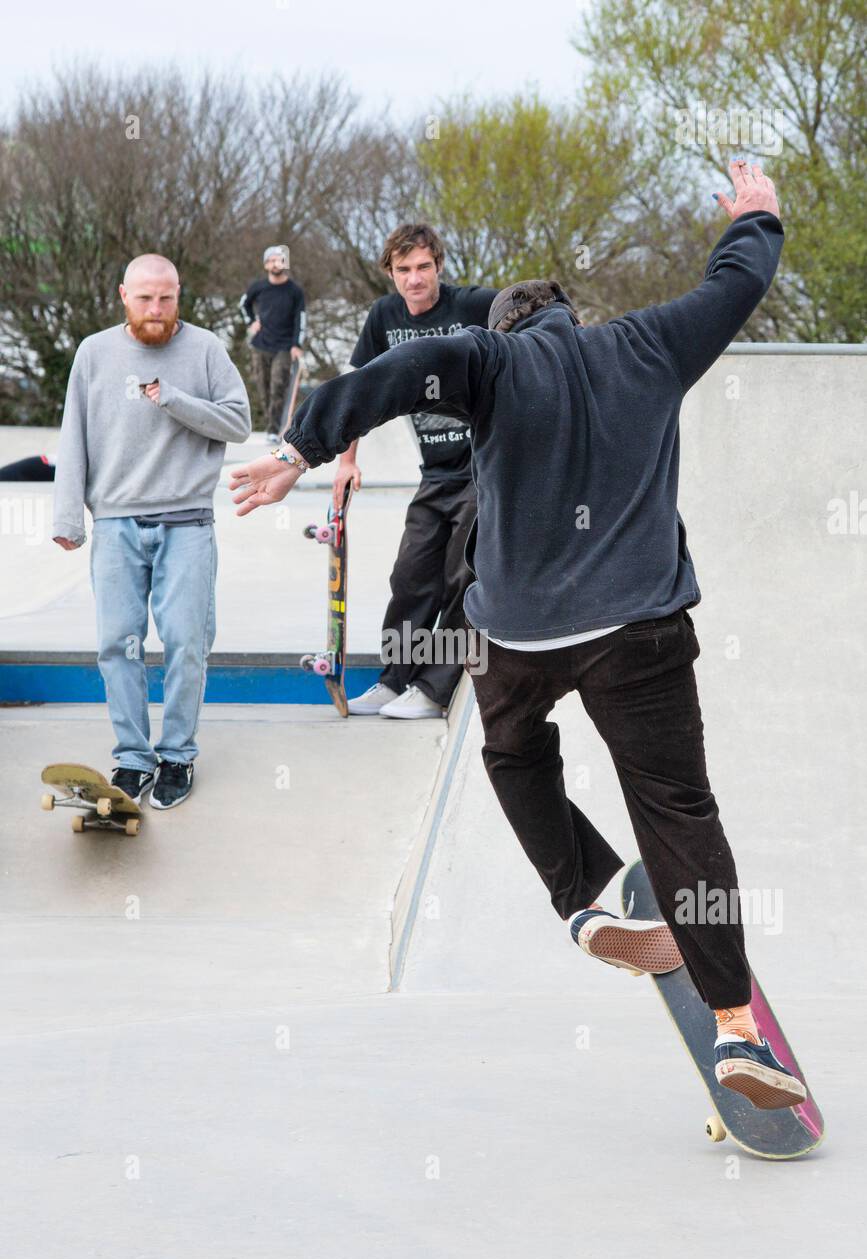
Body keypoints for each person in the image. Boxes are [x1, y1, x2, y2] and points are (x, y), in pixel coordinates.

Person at [229, 160, 804, 1109]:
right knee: (676, 810)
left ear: (500, 327)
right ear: (572, 318)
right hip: (639, 629)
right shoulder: (647, 344)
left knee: (509, 751)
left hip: (517, 635)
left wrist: (305, 444)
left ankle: (581, 900)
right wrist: (757, 216)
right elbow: (734, 283)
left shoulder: (487, 360)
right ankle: (738, 1028)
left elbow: (406, 368)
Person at [52, 253, 251, 809]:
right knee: (118, 645)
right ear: (123, 296)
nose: (157, 309)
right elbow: (74, 437)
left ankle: (178, 756)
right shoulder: (94, 353)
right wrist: (68, 517)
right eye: (145, 298)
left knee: (187, 643)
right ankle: (133, 759)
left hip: (187, 522)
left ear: (178, 294)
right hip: (115, 523)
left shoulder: (206, 349)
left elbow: (239, 422)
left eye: (166, 297)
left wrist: (174, 399)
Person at [331, 223, 497, 718]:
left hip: (481, 469)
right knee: (411, 576)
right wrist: (346, 459)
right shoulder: (383, 317)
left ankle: (433, 690)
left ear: (439, 268)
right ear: (390, 273)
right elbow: (359, 385)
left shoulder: (470, 305)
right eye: (403, 269)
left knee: (460, 574)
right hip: (435, 473)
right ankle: (394, 679)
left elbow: (532, 310)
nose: (415, 278)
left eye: (424, 267)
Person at [241, 245, 306, 443]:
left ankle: (273, 429)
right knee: (263, 386)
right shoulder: (258, 287)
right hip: (261, 344)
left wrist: (297, 344)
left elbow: (301, 318)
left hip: (284, 346)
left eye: (279, 260)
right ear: (266, 264)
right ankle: (272, 423)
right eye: (271, 260)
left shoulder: (295, 291)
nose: (275, 264)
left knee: (278, 385)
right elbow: (243, 304)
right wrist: (251, 322)